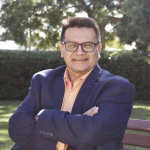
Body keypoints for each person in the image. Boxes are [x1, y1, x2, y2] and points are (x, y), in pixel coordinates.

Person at [9, 17, 135, 150]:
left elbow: (90, 134)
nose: (79, 52)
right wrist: (79, 122)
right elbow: (17, 126)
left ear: (98, 49)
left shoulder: (118, 88)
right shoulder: (43, 80)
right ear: (62, 49)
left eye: (87, 45)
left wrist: (40, 117)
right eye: (71, 45)